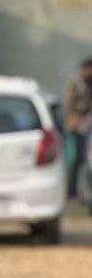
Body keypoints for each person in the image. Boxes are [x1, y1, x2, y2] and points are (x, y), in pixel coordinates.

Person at [64, 57, 92, 198]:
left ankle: (80, 191)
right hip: (75, 126)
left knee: (83, 159)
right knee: (75, 159)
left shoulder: (89, 83)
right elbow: (69, 105)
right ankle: (71, 191)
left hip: (86, 126)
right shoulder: (76, 83)